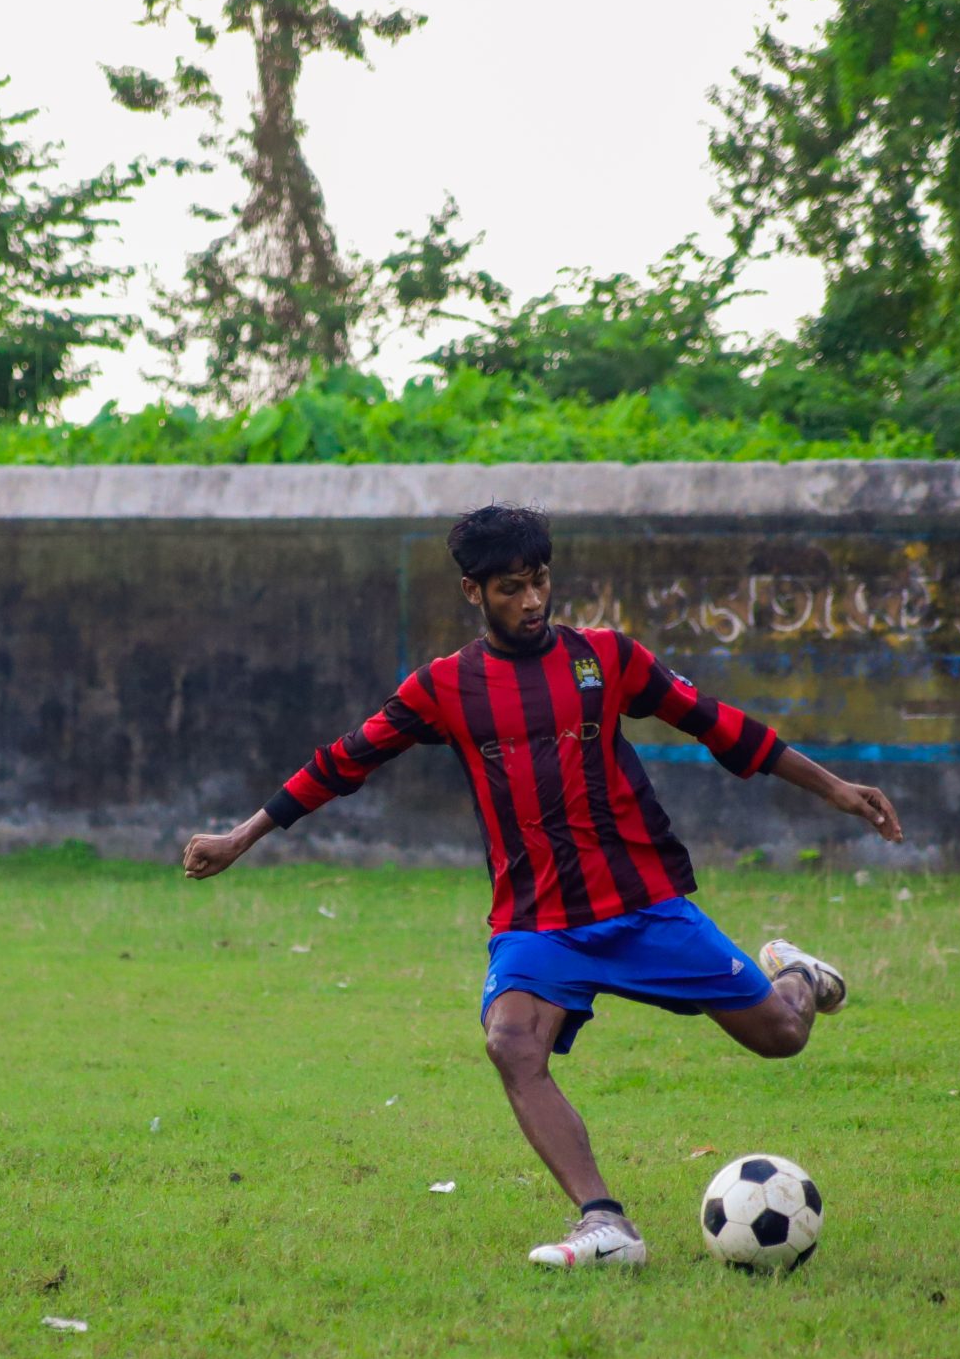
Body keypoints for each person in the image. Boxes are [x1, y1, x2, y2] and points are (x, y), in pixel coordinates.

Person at [181, 505, 903, 1269]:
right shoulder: (445, 687)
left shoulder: (606, 658)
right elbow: (342, 762)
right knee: (511, 1043)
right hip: (539, 922)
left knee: (782, 1038)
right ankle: (605, 1223)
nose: (531, 602)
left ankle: (799, 976)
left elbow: (718, 725)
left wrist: (834, 788)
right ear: (473, 593)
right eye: (510, 588)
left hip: (643, 904)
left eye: (541, 581)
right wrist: (243, 834)